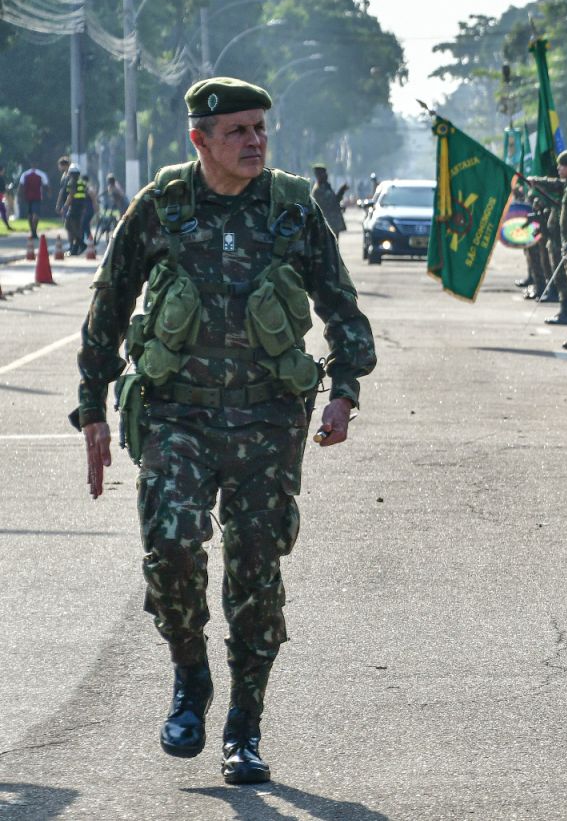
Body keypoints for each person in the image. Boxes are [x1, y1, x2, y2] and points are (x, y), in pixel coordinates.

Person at [73, 76, 376, 785]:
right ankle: (190, 676)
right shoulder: (162, 208)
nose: (253, 141)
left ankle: (245, 727)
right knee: (171, 544)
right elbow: (108, 306)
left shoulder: (293, 211)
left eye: (260, 128)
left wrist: (344, 393)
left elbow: (343, 310)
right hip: (177, 413)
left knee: (255, 575)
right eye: (237, 130)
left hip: (268, 421)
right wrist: (91, 407)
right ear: (199, 140)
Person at [57, 164, 90, 254]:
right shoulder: (82, 182)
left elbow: (71, 196)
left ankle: (81, 244)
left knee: (68, 225)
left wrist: (64, 207)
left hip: (74, 207)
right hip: (81, 207)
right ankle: (75, 249)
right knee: (77, 227)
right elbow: (86, 194)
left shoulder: (71, 182)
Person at [310, 164, 348, 235]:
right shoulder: (318, 190)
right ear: (318, 175)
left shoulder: (326, 186)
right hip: (326, 223)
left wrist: (341, 191)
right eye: (323, 173)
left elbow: (335, 200)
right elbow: (326, 205)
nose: (326, 175)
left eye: (325, 173)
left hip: (332, 222)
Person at [18, 163, 48, 239]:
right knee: (36, 214)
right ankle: (34, 230)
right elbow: (46, 185)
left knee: (30, 214)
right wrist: (48, 193)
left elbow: (21, 186)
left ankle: (32, 230)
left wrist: (20, 196)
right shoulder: (41, 174)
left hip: (28, 197)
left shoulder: (25, 174)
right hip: (37, 196)